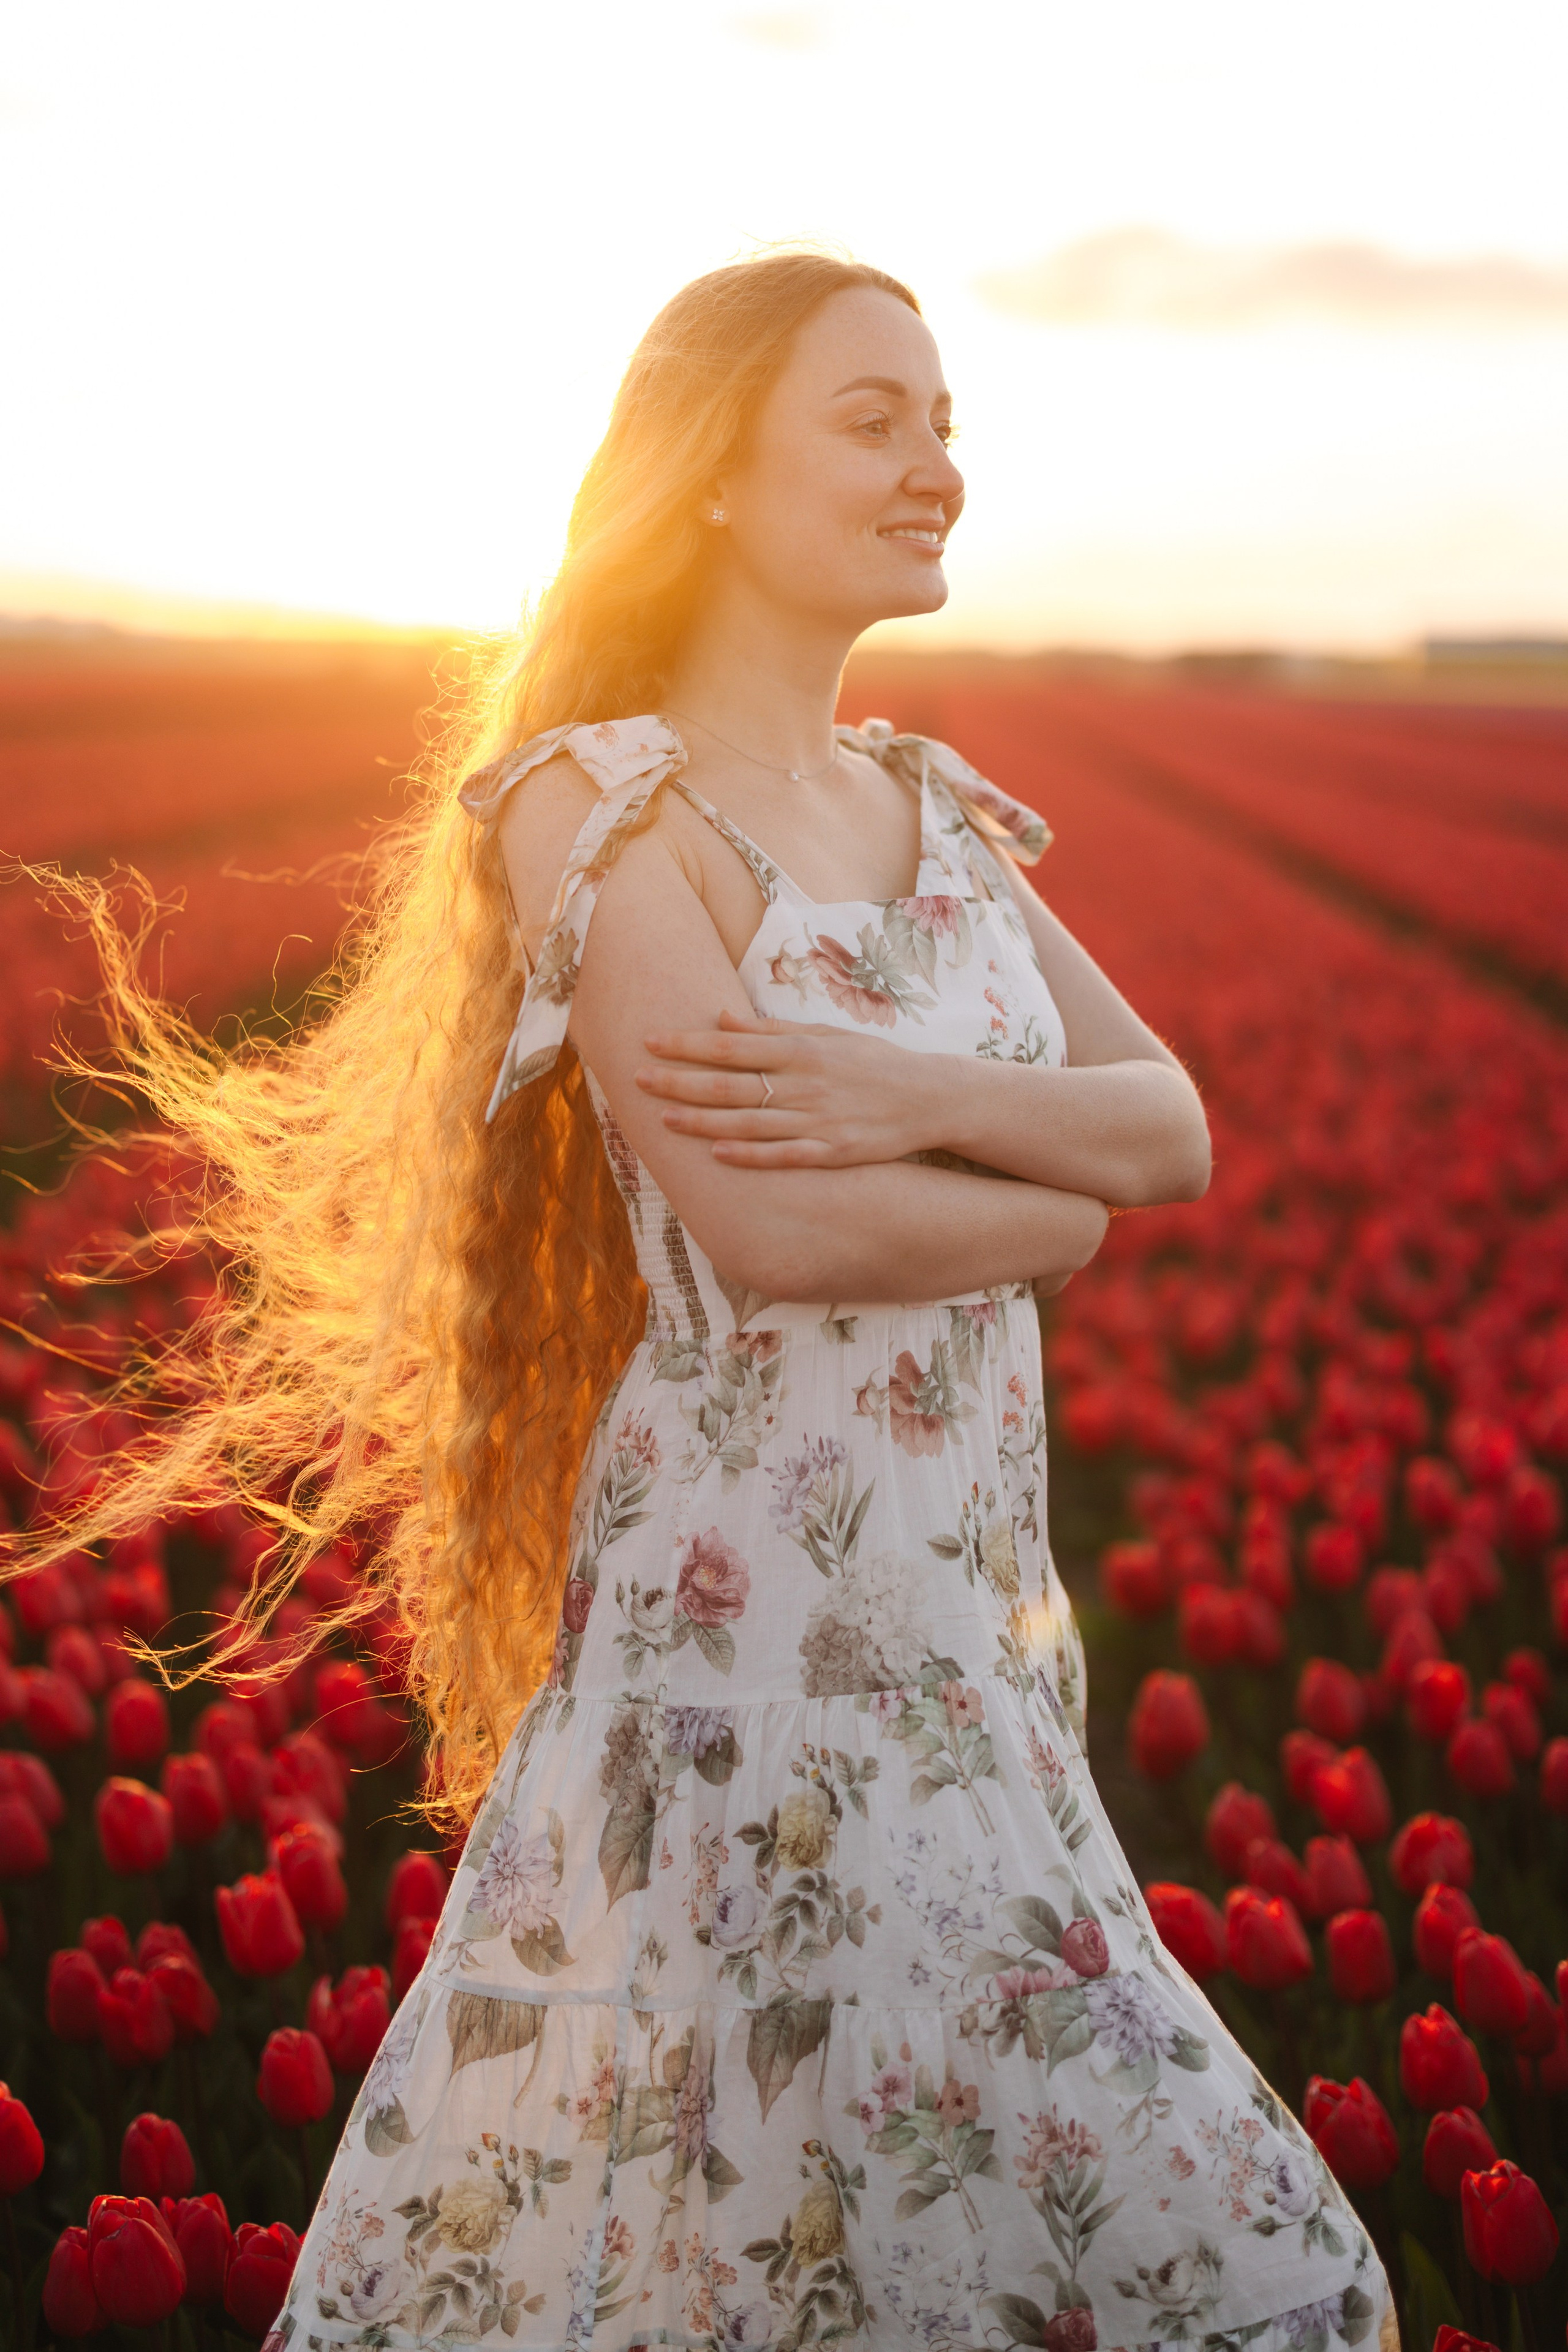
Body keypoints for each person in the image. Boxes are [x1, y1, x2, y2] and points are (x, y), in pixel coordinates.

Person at [32, 251, 1392, 2351]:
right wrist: (1047, 1209)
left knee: (1025, 2249)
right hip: (748, 1645)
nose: (936, 465)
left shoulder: (934, 811)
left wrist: (913, 1094)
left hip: (970, 1653)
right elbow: (778, 1240)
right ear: (717, 479)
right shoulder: (598, 799)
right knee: (770, 2238)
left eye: (946, 422)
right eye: (873, 420)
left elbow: (1174, 1125)